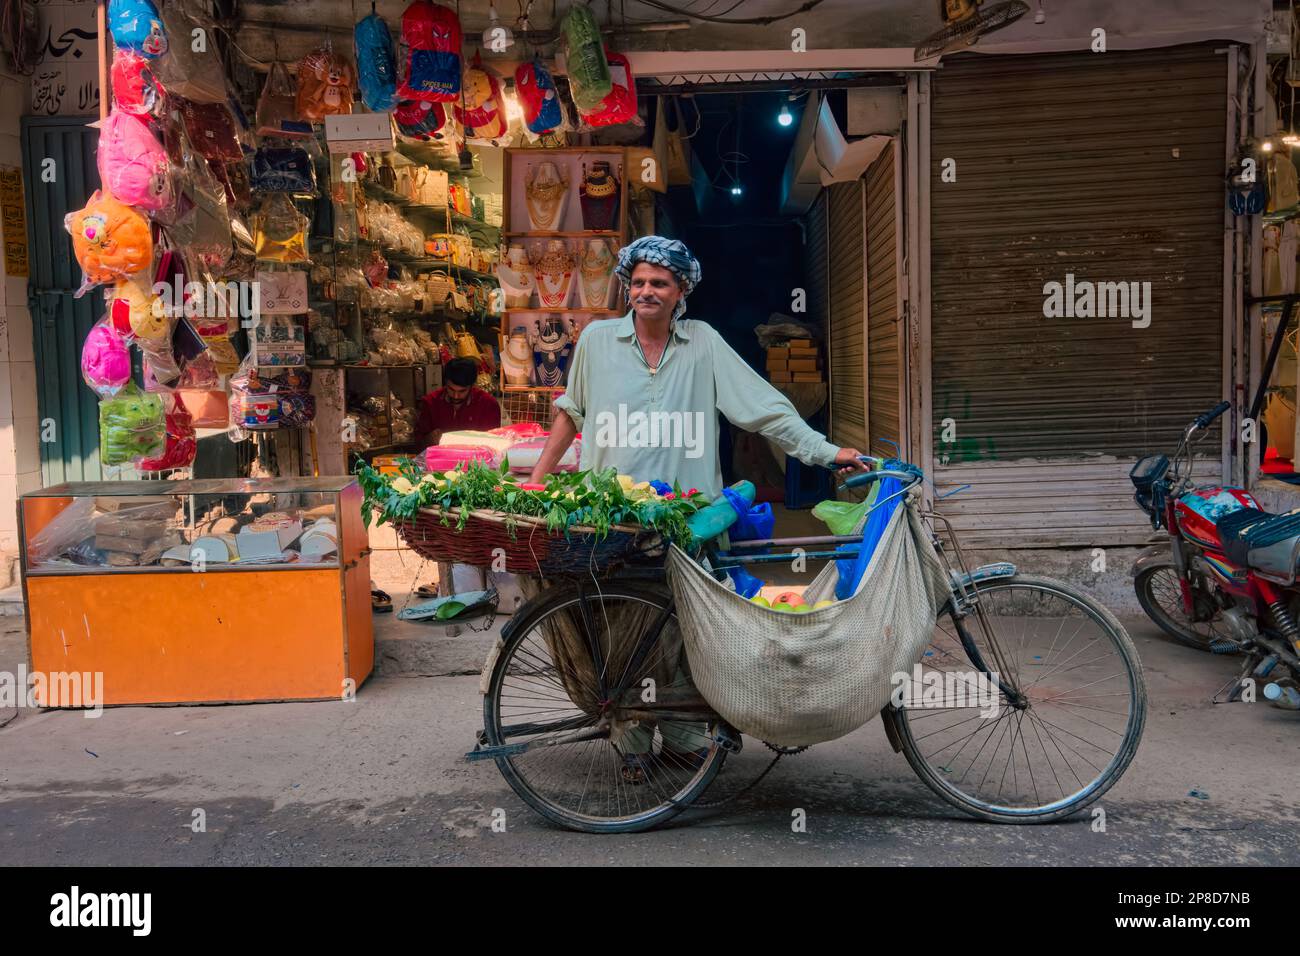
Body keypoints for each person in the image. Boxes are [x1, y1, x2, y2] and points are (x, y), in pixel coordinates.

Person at [526, 235, 871, 782]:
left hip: (692, 521)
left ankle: (687, 741)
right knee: (623, 632)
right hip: (612, 518)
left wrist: (826, 453)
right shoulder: (596, 340)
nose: (645, 291)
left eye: (659, 283)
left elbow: (764, 410)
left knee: (692, 631)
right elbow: (572, 409)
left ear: (681, 290)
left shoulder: (704, 344)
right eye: (637, 282)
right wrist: (540, 480)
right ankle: (632, 741)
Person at [415, 357, 501, 448]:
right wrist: (429, 439)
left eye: (462, 391)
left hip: (476, 460)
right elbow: (418, 444)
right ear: (445, 383)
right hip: (440, 458)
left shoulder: (488, 405)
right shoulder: (430, 402)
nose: (456, 396)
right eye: (451, 389)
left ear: (472, 386)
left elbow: (494, 444)